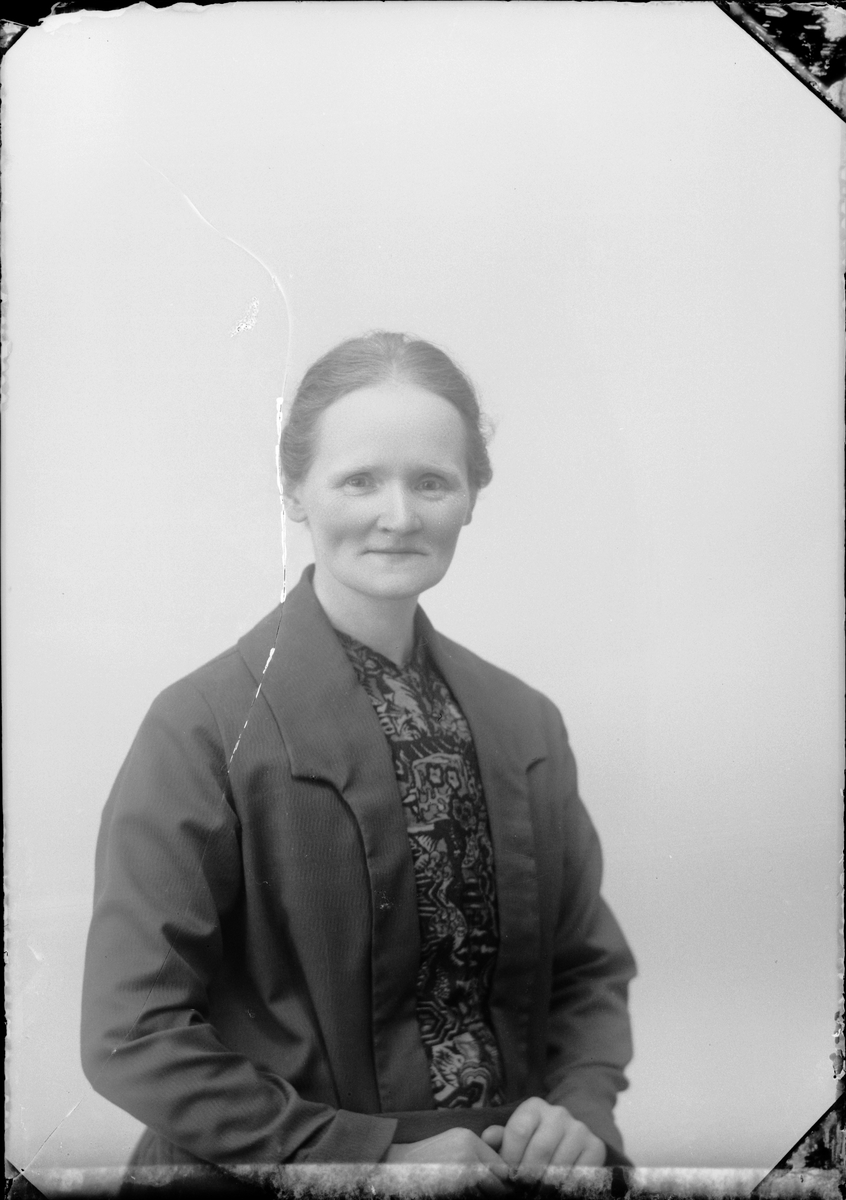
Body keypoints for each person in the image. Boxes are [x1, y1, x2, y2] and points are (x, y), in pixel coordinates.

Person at [81, 331, 636, 1193]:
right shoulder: (202, 726)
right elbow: (133, 1033)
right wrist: (370, 1163)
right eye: (360, 480)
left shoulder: (525, 723)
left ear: (472, 496)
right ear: (294, 490)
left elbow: (587, 970)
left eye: (432, 482)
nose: (399, 515)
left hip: (506, 1174)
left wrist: (578, 1115)